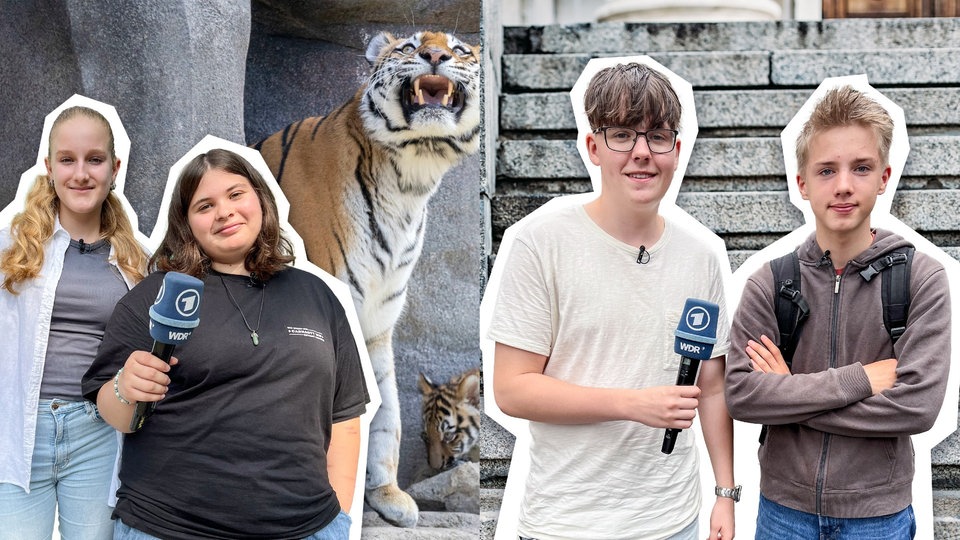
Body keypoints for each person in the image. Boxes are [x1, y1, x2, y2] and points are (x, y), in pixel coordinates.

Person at [489, 62, 736, 540]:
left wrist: (724, 494)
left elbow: (712, 385)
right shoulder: (541, 243)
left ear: (677, 151)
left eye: (657, 136)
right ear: (593, 148)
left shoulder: (702, 256)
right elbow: (511, 389)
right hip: (566, 525)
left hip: (674, 522)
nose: (641, 153)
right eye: (622, 134)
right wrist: (631, 403)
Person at [81, 148, 368, 539]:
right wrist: (124, 387)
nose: (224, 212)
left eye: (236, 194)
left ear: (261, 200)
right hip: (170, 528)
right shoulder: (154, 298)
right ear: (187, 224)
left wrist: (338, 522)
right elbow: (114, 413)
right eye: (205, 205)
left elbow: (345, 419)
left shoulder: (317, 296)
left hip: (306, 528)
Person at [725, 85, 951, 539]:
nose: (844, 185)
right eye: (827, 170)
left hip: (878, 518)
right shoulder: (769, 282)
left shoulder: (922, 279)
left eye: (861, 168)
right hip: (783, 513)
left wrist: (787, 394)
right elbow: (742, 395)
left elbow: (917, 408)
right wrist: (860, 380)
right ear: (802, 184)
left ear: (885, 177)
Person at [0, 104, 147, 539]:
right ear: (48, 167)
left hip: (97, 431)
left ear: (114, 167)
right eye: (67, 159)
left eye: (94, 159)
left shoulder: (135, 260)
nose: (80, 173)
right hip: (18, 431)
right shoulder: (11, 248)